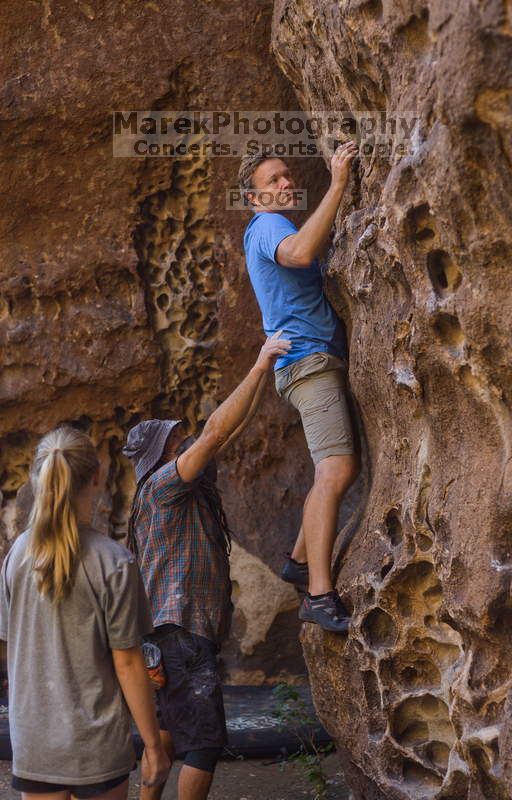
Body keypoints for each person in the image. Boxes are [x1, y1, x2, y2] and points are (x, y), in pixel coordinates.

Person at [123, 332, 291, 800]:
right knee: (206, 743)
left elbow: (227, 431)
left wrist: (269, 374)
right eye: (179, 438)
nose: (189, 440)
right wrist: (258, 364)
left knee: (171, 735)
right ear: (161, 454)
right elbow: (216, 431)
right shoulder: (163, 486)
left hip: (171, 636)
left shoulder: (181, 492)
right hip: (179, 637)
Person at [0, 426, 170, 800]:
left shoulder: (16, 556)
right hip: (95, 741)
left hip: (34, 738)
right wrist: (154, 745)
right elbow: (127, 663)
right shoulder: (114, 563)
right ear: (97, 476)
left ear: (37, 478)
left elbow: (12, 648)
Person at [239, 144, 360, 634]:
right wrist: (337, 185)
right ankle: (318, 594)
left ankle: (296, 561)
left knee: (335, 471)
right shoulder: (268, 225)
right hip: (307, 362)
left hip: (307, 361)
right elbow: (300, 253)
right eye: (273, 181)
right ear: (253, 197)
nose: (285, 184)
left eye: (287, 176)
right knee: (336, 469)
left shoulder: (276, 223)